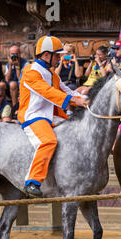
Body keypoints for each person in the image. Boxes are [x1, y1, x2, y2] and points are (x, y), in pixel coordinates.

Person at [18, 35, 89, 197]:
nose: (59, 58)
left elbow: (66, 90)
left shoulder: (51, 73)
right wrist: (75, 100)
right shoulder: (30, 71)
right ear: (46, 55)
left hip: (52, 116)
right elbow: (48, 93)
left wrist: (86, 99)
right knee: (49, 141)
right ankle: (32, 181)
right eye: (57, 55)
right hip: (34, 116)